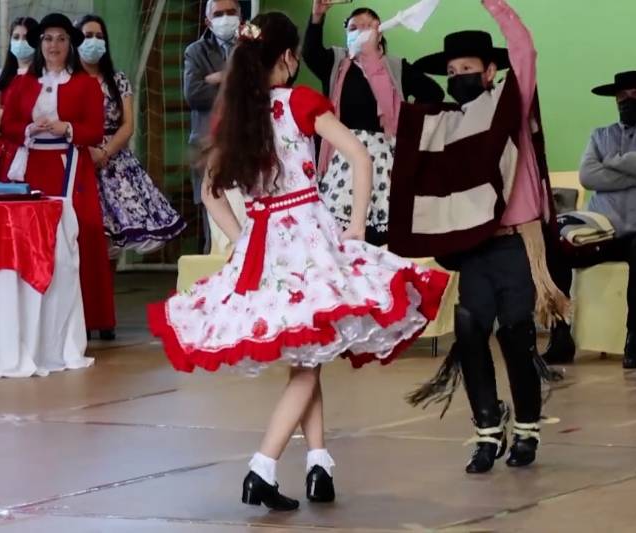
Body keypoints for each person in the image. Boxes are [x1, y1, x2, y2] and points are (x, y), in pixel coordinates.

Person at [147, 13, 449, 511]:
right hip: (308, 237)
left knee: (308, 353)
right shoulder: (302, 101)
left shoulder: (236, 114)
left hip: (265, 243)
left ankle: (319, 465)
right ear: (288, 59)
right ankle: (261, 467)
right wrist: (355, 224)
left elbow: (210, 192)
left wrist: (245, 237)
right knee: (307, 361)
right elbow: (360, 155)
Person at [389, 0, 568, 474]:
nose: (458, 77)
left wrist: (495, 6)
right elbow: (394, 116)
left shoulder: (511, 103)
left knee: (516, 333)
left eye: (467, 68)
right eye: (451, 70)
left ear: (490, 71)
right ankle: (488, 430)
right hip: (474, 245)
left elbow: (524, 52)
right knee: (470, 333)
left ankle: (527, 428)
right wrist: (367, 56)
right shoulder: (446, 123)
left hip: (515, 241)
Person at [543, 71, 636, 369]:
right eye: (621, 97)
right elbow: (587, 176)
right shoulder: (600, 135)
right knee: (553, 241)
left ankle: (634, 338)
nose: (627, 101)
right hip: (601, 230)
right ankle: (560, 335)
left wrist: (613, 163)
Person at [1, 13, 116, 340]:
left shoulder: (86, 84)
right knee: (32, 238)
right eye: (48, 39)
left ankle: (91, 315)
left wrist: (68, 128)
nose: (54, 45)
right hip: (31, 168)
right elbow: (7, 125)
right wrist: (27, 128)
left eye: (62, 39)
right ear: (39, 44)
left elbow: (94, 131)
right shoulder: (22, 83)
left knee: (80, 235)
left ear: (71, 45)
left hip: (70, 169)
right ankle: (32, 317)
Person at [304, 0, 444, 246]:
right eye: (354, 27)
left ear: (380, 34)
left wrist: (406, 124)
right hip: (343, 156)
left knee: (382, 233)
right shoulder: (337, 62)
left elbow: (433, 93)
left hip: (383, 157)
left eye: (368, 26)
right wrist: (317, 17)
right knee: (338, 232)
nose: (360, 32)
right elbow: (310, 53)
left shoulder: (395, 67)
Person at [76, 15, 186, 259]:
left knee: (114, 236)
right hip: (79, 157)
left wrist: (105, 153)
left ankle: (105, 291)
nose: (93, 41)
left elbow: (128, 126)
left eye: (99, 36)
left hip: (113, 159)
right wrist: (87, 151)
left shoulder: (118, 79)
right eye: (87, 36)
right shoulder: (69, 80)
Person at [184, 0, 242, 253]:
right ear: (208, 21)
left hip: (247, 144)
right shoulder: (195, 51)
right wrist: (236, 79)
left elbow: (261, 89)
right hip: (209, 145)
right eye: (219, 14)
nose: (226, 18)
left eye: (231, 12)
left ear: (241, 15)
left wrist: (219, 78)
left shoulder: (252, 47)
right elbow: (194, 94)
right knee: (216, 226)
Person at [0, 16, 38, 182]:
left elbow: (39, 115)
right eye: (16, 37)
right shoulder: (1, 75)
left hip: (35, 150)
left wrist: (6, 114)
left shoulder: (43, 77)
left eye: (26, 37)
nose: (20, 42)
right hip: (3, 152)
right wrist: (21, 117)